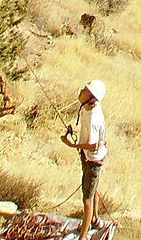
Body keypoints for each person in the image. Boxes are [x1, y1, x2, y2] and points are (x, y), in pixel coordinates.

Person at [61, 78, 107, 239]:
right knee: (91, 190)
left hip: (93, 160)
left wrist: (72, 145)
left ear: (92, 97)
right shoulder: (88, 107)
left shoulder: (94, 117)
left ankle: (83, 235)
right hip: (88, 156)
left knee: (87, 199)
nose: (81, 91)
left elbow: (93, 145)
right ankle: (94, 219)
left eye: (85, 90)